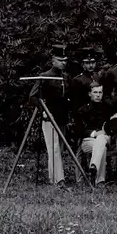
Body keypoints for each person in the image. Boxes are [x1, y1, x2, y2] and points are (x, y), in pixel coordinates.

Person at [28, 43, 72, 189]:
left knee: (59, 149)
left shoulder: (66, 76)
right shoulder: (44, 76)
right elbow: (33, 97)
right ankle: (60, 181)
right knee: (53, 149)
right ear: (53, 60)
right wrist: (44, 111)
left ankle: (53, 179)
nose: (63, 63)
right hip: (49, 117)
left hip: (62, 117)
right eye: (60, 60)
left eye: (65, 60)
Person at [74, 82, 117, 186]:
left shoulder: (108, 107)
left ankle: (93, 166)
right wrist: (94, 133)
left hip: (105, 137)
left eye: (100, 92)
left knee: (102, 139)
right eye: (95, 92)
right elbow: (79, 130)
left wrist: (110, 126)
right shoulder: (83, 110)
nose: (98, 95)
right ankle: (100, 180)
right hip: (88, 141)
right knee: (102, 146)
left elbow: (113, 126)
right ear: (89, 94)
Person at [70, 47, 101, 112]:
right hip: (84, 112)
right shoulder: (77, 80)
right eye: (87, 63)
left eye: (93, 62)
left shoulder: (98, 76)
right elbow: (75, 102)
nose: (91, 65)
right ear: (82, 64)